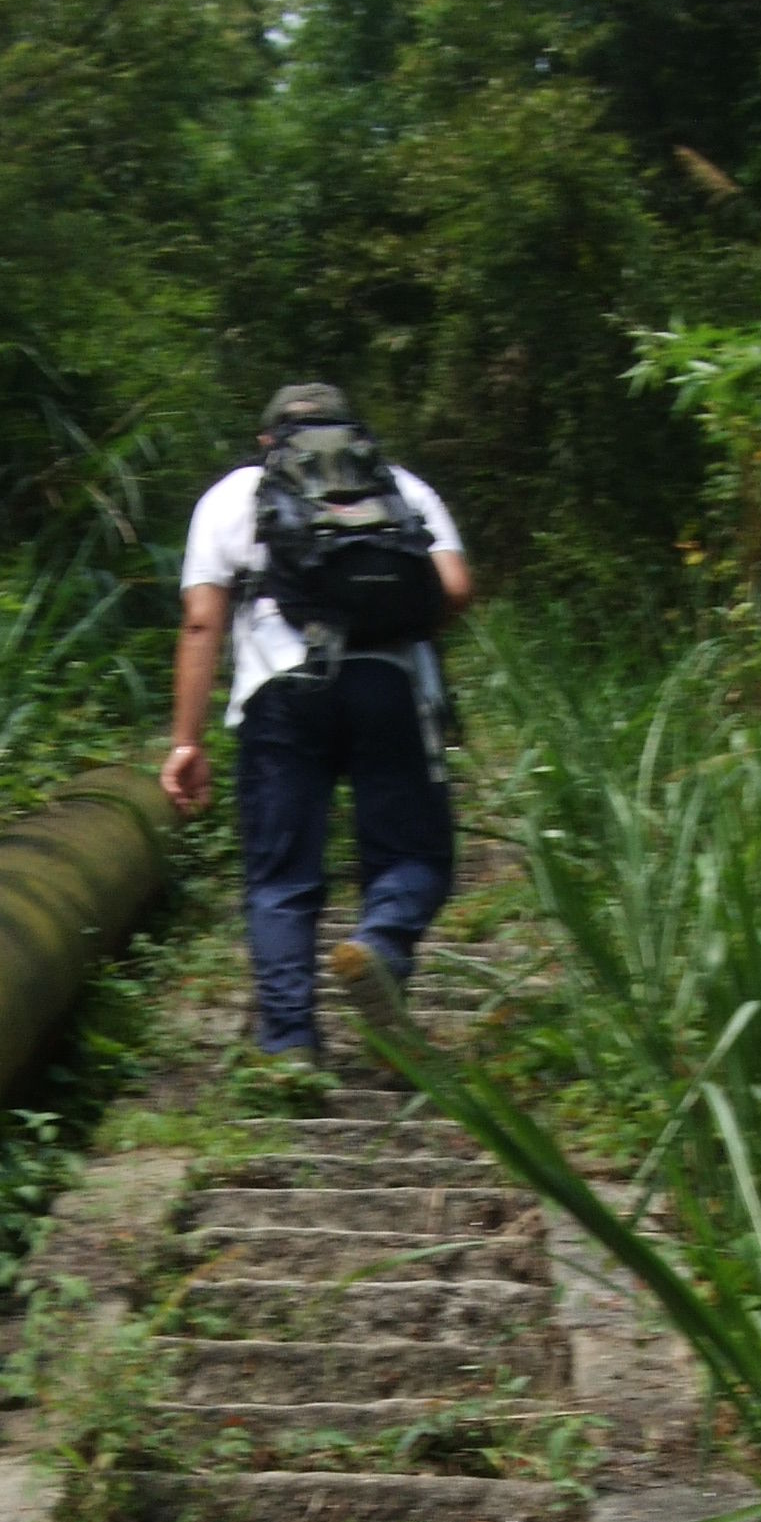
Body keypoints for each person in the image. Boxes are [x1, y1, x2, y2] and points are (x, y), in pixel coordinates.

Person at [162, 381, 473, 1061]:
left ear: (268, 440)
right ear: (351, 431)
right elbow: (455, 587)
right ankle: (380, 943)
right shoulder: (399, 486)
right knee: (415, 852)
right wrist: (396, 627)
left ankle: (289, 1048)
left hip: (281, 691)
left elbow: (201, 619)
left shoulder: (234, 495)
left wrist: (186, 741)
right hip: (390, 684)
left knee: (281, 874)